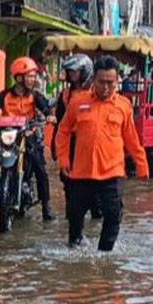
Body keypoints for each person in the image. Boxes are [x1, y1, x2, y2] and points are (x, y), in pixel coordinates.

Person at [55, 55, 149, 251]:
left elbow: (132, 139)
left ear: (116, 82)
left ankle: (104, 254)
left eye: (110, 83)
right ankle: (75, 246)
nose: (106, 88)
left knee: (113, 214)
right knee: (74, 214)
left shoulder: (123, 106)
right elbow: (63, 132)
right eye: (101, 82)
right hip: (81, 172)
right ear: (93, 80)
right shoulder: (78, 102)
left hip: (112, 172)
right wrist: (63, 159)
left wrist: (142, 165)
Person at [0, 56, 54, 224]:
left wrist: (50, 115)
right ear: (19, 78)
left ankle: (46, 206)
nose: (33, 79)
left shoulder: (35, 96)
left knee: (40, 168)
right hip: (7, 138)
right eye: (30, 76)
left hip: (28, 136)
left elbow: (47, 108)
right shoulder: (4, 95)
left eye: (34, 76)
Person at [53, 54, 100, 221]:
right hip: (70, 143)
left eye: (76, 72)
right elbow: (60, 124)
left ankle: (96, 215)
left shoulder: (95, 93)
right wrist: (55, 148)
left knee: (94, 182)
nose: (72, 76)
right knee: (68, 181)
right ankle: (71, 217)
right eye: (70, 72)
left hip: (89, 142)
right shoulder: (65, 95)